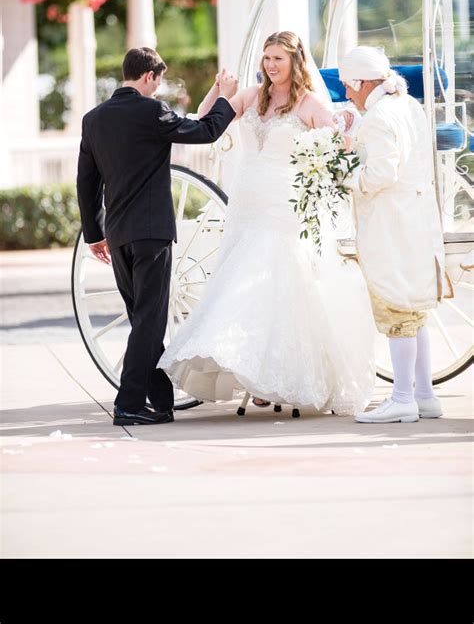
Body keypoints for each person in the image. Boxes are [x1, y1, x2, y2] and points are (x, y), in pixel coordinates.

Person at [158, 32, 377, 414]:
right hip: (246, 202)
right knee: (240, 279)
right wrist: (218, 90)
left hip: (283, 207)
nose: (271, 65)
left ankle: (275, 374)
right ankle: (251, 370)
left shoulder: (308, 103)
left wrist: (344, 133)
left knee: (272, 283)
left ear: (295, 61)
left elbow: (339, 144)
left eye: (278, 58)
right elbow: (206, 123)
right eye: (267, 58)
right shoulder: (250, 96)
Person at [76, 47, 237, 426]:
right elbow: (206, 131)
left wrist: (93, 232)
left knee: (142, 320)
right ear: (149, 77)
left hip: (116, 235)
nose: (158, 87)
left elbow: (86, 181)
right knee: (150, 321)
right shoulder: (152, 112)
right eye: (159, 80)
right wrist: (226, 98)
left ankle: (160, 400)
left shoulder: (94, 119)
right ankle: (128, 403)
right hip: (151, 233)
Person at [339, 46, 446, 423]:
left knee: (395, 306)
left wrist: (344, 175)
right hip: (415, 218)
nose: (348, 94)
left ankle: (402, 398)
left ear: (364, 82)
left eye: (349, 86)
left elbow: (380, 175)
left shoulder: (380, 117)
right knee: (413, 309)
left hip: (391, 222)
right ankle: (425, 395)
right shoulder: (409, 105)